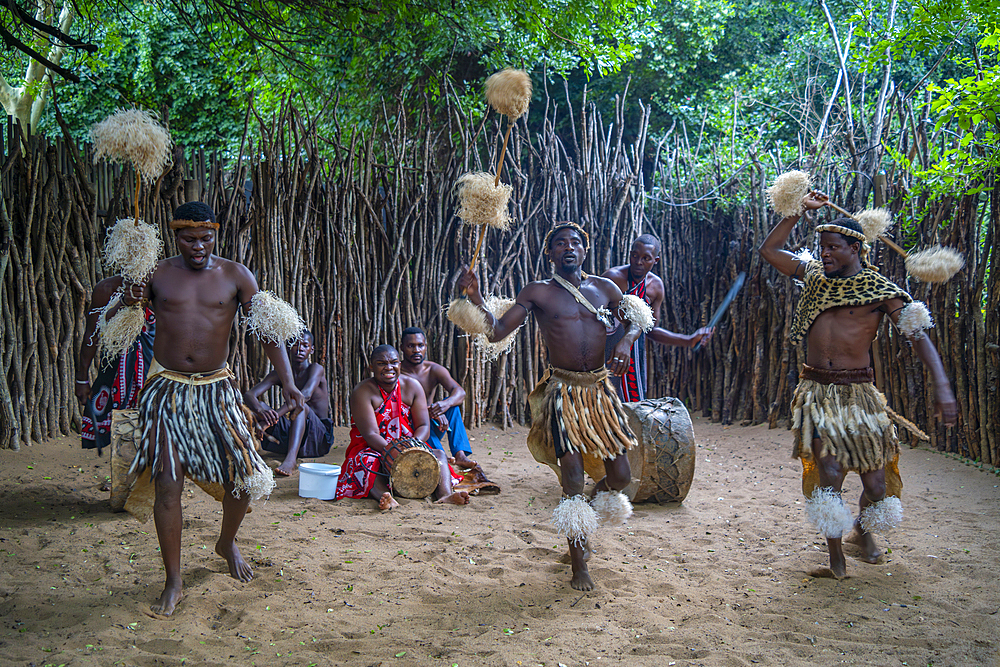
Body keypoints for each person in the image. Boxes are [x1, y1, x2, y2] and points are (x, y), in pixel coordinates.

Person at [112, 201, 305, 616]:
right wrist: (127, 298)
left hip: (217, 390)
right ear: (174, 236)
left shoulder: (236, 275)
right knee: (168, 483)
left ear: (215, 235)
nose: (198, 246)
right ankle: (174, 580)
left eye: (205, 238)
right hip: (166, 391)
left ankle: (225, 541)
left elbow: (268, 331)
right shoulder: (157, 275)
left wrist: (288, 381)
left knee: (246, 479)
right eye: (188, 238)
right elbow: (110, 308)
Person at [758, 191, 957, 579]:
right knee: (828, 473)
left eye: (833, 248)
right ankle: (835, 559)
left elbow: (919, 337)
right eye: (822, 247)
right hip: (816, 392)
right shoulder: (814, 277)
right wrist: (798, 212)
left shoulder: (880, 291)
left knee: (878, 486)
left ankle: (861, 533)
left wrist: (942, 386)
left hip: (861, 396)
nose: (825, 254)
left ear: (855, 248)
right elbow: (770, 250)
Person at [457, 221, 653, 591]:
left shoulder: (606, 289)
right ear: (549, 254)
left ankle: (584, 524)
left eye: (575, 242)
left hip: (599, 392)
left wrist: (627, 340)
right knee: (574, 481)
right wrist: (476, 297)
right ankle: (579, 564)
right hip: (563, 393)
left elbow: (638, 319)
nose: (568, 247)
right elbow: (497, 331)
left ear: (585, 250)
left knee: (622, 478)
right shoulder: (539, 293)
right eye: (560, 243)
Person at [334, 344, 470, 509]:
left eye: (393, 362)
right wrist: (395, 453)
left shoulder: (413, 386)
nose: (388, 367)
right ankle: (387, 497)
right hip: (375, 449)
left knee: (439, 455)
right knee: (365, 461)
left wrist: (412, 448)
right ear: (371, 367)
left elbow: (423, 425)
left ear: (400, 364)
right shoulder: (362, 391)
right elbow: (370, 434)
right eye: (381, 363)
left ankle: (445, 495)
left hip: (410, 445)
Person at [602, 234, 711, 401]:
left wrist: (688, 340)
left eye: (646, 258)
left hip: (634, 357)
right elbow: (593, 317)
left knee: (633, 408)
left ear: (656, 260)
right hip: (605, 354)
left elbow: (650, 330)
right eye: (635, 256)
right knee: (603, 406)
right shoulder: (612, 278)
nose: (639, 262)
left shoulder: (656, 287)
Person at [76, 275, 155, 454]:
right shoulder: (107, 288)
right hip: (115, 374)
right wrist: (81, 379)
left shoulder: (166, 286)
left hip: (157, 373)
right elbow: (92, 334)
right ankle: (123, 476)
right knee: (122, 432)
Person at [245, 330, 334, 476]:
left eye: (305, 345)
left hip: (318, 439)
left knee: (301, 406)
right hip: (292, 434)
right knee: (257, 406)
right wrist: (262, 414)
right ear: (287, 348)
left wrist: (269, 421)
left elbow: (304, 396)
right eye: (294, 345)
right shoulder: (281, 374)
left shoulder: (316, 369)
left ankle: (291, 460)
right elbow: (249, 395)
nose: (299, 349)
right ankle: (245, 451)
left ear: (311, 349)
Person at [398, 327, 477, 469]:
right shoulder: (396, 373)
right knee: (423, 422)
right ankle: (439, 455)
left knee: (453, 408)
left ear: (425, 347)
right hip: (408, 428)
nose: (416, 350)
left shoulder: (433, 370)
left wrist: (444, 405)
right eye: (411, 346)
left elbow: (460, 392)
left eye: (420, 345)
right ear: (402, 348)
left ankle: (460, 454)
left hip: (434, 423)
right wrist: (430, 412)